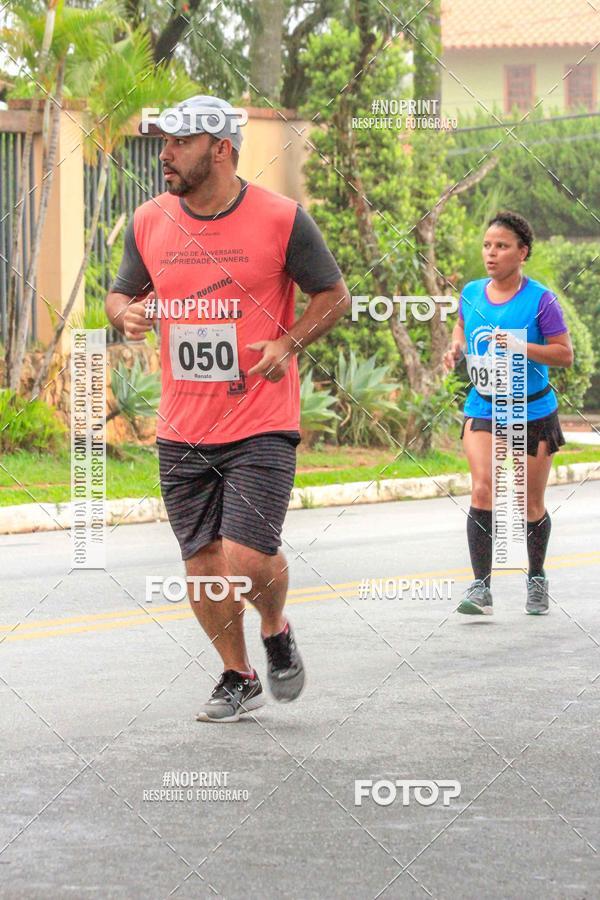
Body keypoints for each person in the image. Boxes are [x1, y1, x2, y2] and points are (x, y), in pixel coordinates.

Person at [105, 95, 350, 721]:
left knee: (246, 553)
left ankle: (275, 628)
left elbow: (333, 295)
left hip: (260, 418)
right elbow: (120, 293)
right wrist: (125, 313)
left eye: (179, 142)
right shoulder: (150, 220)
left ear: (221, 149)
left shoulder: (282, 219)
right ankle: (238, 675)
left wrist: (288, 342)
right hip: (182, 425)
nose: (165, 153)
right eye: (163, 141)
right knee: (203, 563)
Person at [444, 211, 573, 617]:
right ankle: (481, 587)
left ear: (522, 253)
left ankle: (536, 577)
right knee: (483, 489)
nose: (491, 253)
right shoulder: (471, 293)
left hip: (532, 411)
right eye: (487, 245)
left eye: (501, 246)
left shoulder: (541, 300)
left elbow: (564, 354)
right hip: (484, 406)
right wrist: (456, 348)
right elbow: (461, 327)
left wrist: (521, 348)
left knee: (528, 502)